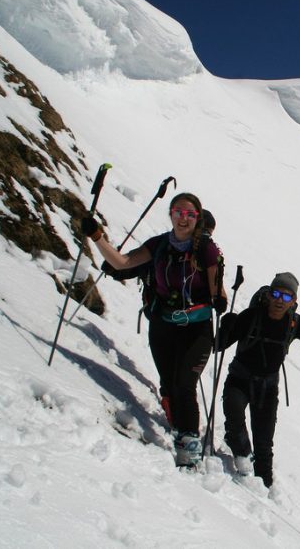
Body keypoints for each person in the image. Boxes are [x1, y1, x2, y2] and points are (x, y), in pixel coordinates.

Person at [82, 192, 228, 468]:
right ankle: (180, 436)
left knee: (185, 384)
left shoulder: (207, 250)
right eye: (178, 212)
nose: (183, 218)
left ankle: (190, 447)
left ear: (197, 218)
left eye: (190, 214)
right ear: (171, 214)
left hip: (196, 329)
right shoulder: (159, 245)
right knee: (171, 385)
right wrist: (97, 236)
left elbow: (217, 289)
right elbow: (122, 263)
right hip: (163, 326)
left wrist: (219, 299)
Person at [218, 272, 300, 487]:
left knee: (264, 444)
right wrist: (227, 326)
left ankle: (264, 486)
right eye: (276, 294)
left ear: (293, 301)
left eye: (286, 297)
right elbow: (218, 346)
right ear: (268, 295)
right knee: (235, 422)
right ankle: (243, 458)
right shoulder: (251, 316)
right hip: (239, 379)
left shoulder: (294, 323)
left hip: (267, 388)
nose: (279, 301)